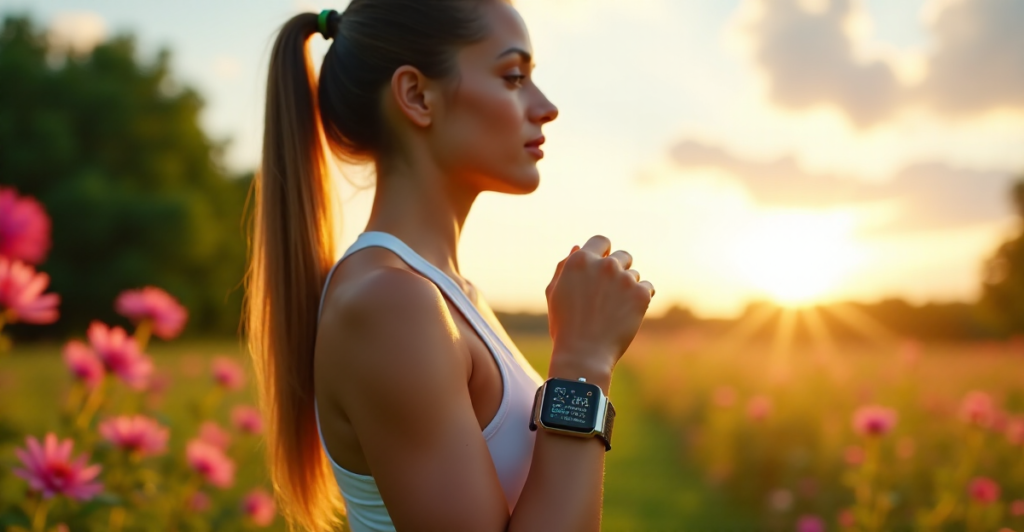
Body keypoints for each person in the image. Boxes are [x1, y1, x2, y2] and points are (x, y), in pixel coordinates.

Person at [242, 1, 656, 530]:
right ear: (417, 96)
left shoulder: (445, 295)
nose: (546, 106)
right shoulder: (391, 303)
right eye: (513, 76)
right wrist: (584, 360)